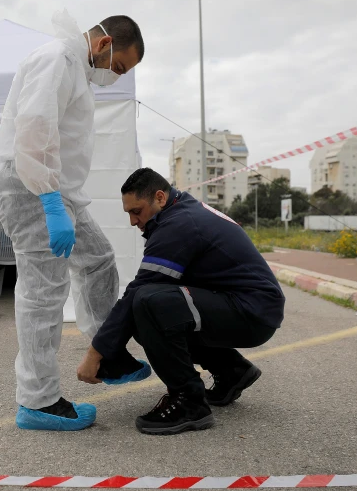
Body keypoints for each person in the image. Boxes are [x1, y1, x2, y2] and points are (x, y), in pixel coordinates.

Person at [0, 10, 148, 431]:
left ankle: (107, 352)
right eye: (117, 66)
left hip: (54, 190)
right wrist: (50, 202)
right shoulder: (57, 58)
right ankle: (37, 401)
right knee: (44, 292)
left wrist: (60, 199)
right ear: (102, 44)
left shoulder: (75, 67)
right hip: (31, 186)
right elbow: (35, 130)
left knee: (97, 259)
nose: (115, 76)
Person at [76, 168, 286, 435]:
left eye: (136, 211)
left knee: (148, 303)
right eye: (128, 213)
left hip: (252, 311)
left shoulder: (180, 223)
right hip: (249, 306)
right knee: (149, 316)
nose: (132, 221)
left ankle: (189, 401)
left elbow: (139, 291)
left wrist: (96, 353)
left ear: (160, 198)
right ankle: (232, 371)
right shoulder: (180, 212)